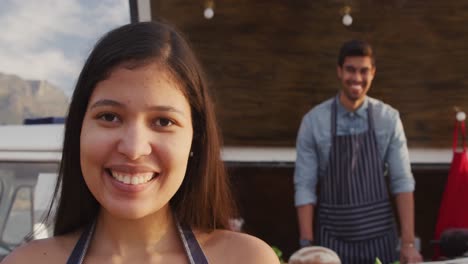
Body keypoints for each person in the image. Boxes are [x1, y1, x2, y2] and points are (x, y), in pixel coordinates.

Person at [2, 20, 279, 264]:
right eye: (109, 116)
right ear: (79, 130)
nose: (134, 149)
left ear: (196, 139)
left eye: (163, 122)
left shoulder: (247, 259)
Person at [294, 40, 423, 264]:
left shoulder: (388, 119)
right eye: (350, 70)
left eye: (364, 71)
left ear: (373, 73)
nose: (357, 78)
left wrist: (408, 244)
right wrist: (307, 246)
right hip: (331, 240)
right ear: (339, 71)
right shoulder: (314, 122)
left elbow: (402, 182)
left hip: (380, 240)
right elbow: (304, 186)